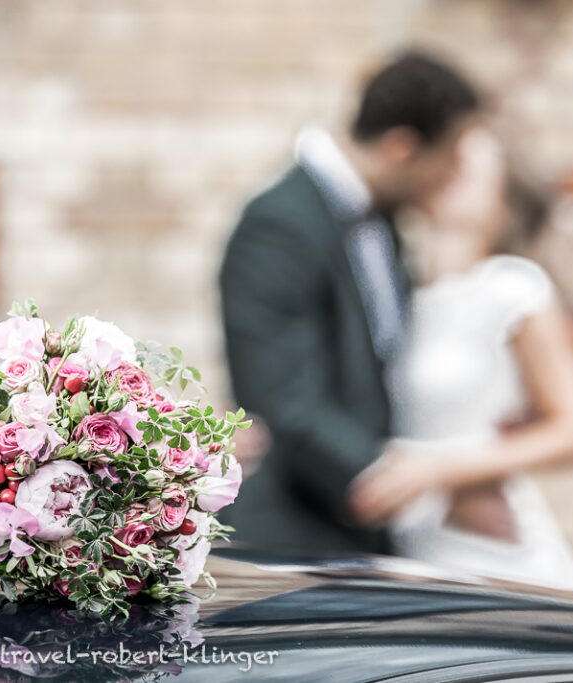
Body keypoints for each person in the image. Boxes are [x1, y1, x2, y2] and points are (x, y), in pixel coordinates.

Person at [218, 51, 482, 555]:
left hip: (371, 536)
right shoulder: (279, 223)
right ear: (403, 147)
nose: (452, 175)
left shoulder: (386, 224)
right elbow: (287, 401)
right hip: (297, 540)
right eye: (450, 156)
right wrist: (410, 488)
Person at [347, 127, 573, 585]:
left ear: (502, 203)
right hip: (412, 544)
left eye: (466, 168)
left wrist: (437, 469)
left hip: (491, 551)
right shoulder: (398, 291)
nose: (448, 171)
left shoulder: (512, 287)